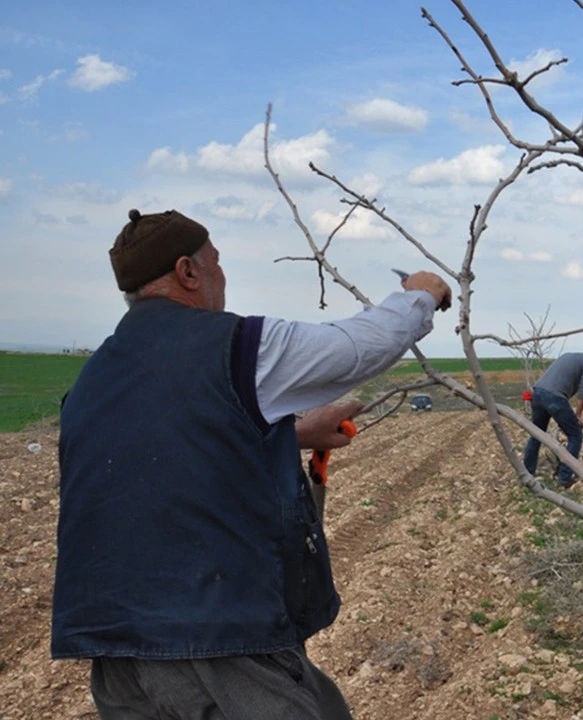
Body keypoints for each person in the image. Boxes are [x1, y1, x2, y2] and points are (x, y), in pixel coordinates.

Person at [53, 208, 452, 720]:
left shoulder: (92, 380)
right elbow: (358, 349)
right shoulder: (238, 346)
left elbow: (166, 453)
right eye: (216, 264)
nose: (222, 277)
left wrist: (293, 432)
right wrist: (420, 294)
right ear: (188, 272)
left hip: (116, 655)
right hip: (219, 643)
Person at [521, 351, 583, 488]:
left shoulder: (571, 356)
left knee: (537, 435)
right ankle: (564, 477)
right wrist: (577, 416)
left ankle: (527, 474)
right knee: (575, 435)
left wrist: (565, 418)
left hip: (537, 393)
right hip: (554, 397)